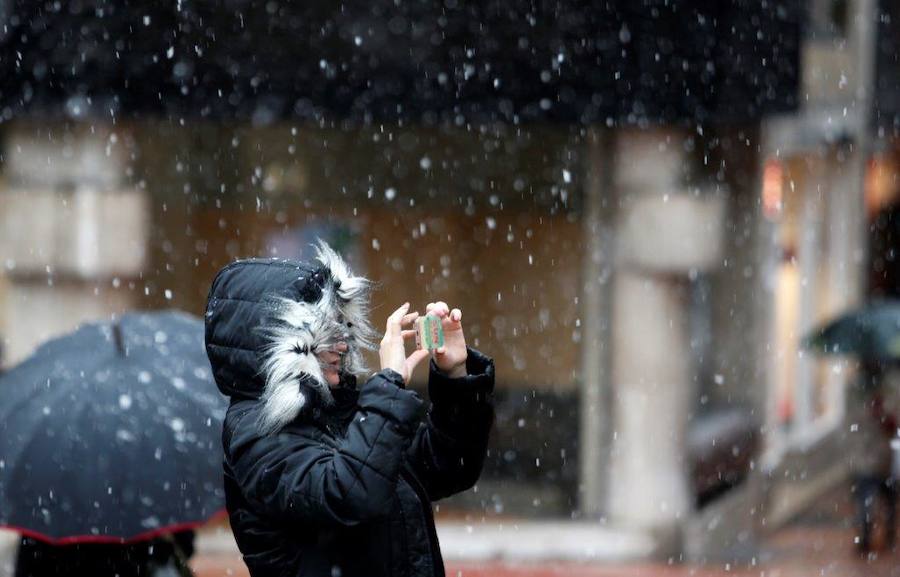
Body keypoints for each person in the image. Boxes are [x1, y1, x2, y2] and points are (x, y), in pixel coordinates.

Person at [204, 241, 495, 577]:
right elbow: (350, 494)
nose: (342, 343)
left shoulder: (338, 412)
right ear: (282, 345)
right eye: (326, 331)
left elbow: (447, 467)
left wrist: (455, 376)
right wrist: (389, 385)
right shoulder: (256, 436)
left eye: (342, 326)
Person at [849, 363, 898, 555]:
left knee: (887, 499)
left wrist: (885, 416)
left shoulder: (891, 391)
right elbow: (853, 426)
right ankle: (866, 535)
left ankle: (887, 534)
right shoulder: (856, 393)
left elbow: (893, 424)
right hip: (866, 459)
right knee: (866, 500)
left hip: (884, 458)